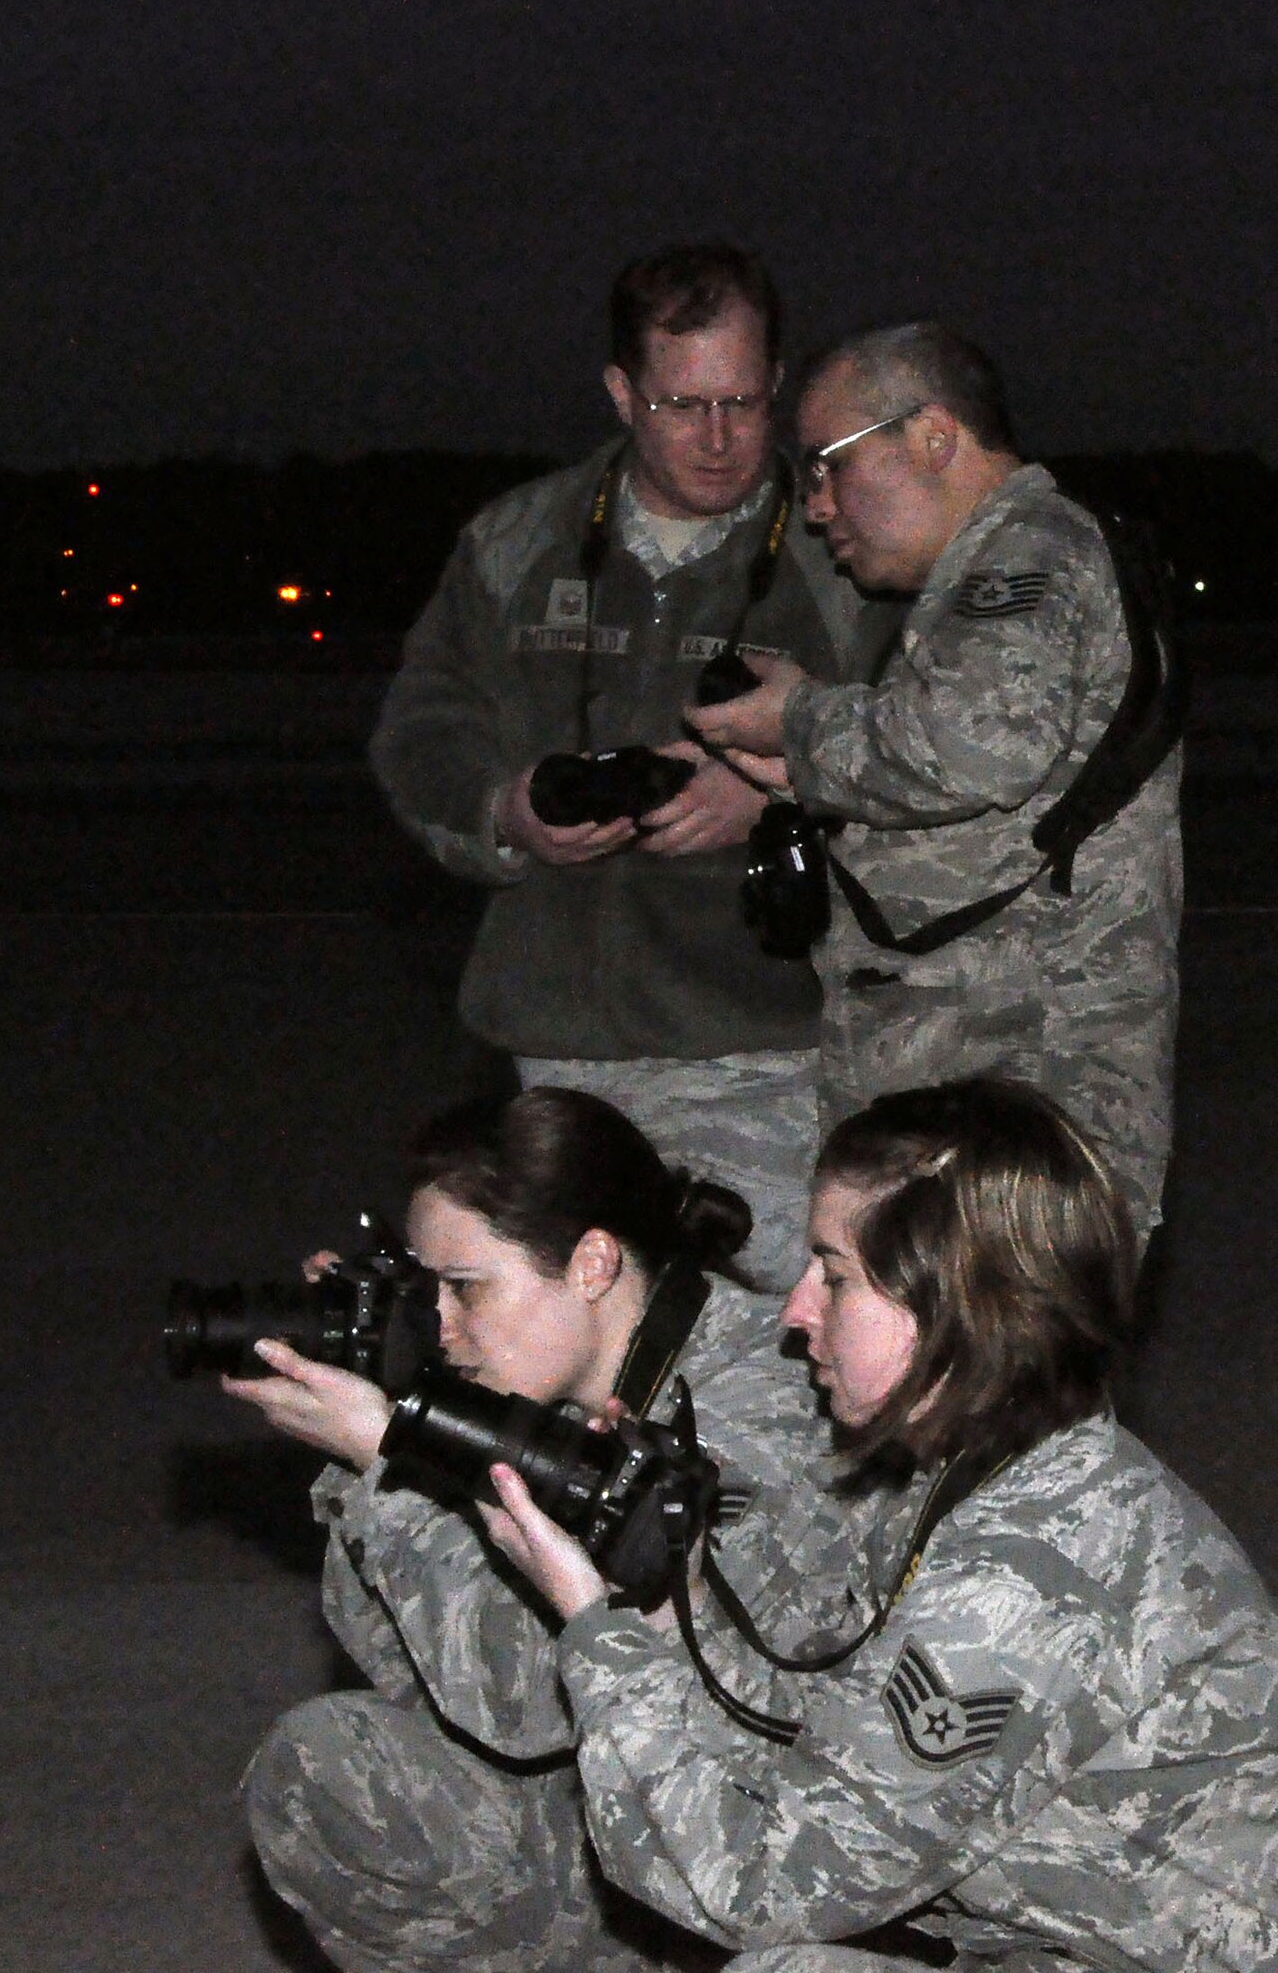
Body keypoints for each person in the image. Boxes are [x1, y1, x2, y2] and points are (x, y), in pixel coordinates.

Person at [487, 1075, 1278, 1972]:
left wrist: (592, 1630)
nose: (795, 1311)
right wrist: (676, 1600)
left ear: (955, 1300)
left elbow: (761, 1887)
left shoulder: (1034, 1566)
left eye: (833, 1274)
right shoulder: (974, 1473)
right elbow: (828, 1732)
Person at [370, 245, 896, 1289]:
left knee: (789, 1343)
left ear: (778, 383)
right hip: (562, 1043)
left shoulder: (849, 551)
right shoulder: (519, 540)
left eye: (743, 403)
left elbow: (936, 750)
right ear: (621, 392)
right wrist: (506, 809)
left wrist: (776, 790)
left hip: (775, 1044)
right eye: (681, 404)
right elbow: (421, 725)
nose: (716, 438)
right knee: (581, 1360)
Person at [227, 1086, 828, 1973]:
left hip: (775, 1862)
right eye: (426, 1288)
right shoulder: (565, 1388)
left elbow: (519, 1708)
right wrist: (392, 1413)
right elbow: (410, 1678)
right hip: (641, 1812)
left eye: (464, 1287)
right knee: (332, 1770)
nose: (440, 1323)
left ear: (592, 1264)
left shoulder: (750, 1420)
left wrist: (388, 1465)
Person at [687, 322, 1183, 1243]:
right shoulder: (1003, 562)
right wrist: (802, 772)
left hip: (1020, 1089)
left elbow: (973, 747)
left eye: (829, 466)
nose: (818, 506)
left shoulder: (1026, 555)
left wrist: (799, 721)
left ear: (933, 438)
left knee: (997, 1374)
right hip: (978, 1089)